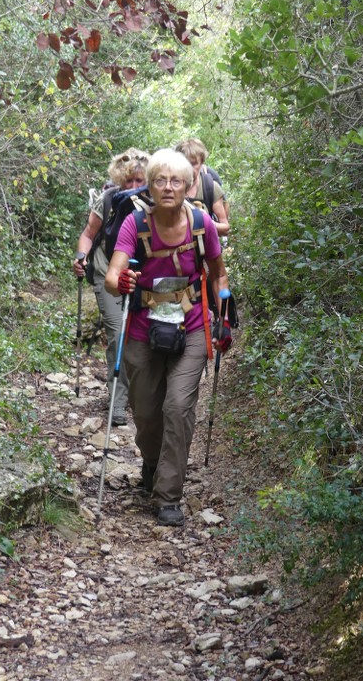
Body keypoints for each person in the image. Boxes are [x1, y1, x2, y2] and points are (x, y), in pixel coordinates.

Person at [105, 148, 232, 526]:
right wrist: (120, 281)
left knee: (177, 407)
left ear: (189, 185)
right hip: (144, 326)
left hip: (191, 324)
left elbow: (218, 273)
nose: (168, 187)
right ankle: (150, 460)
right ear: (150, 184)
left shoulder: (201, 224)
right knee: (146, 412)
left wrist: (224, 313)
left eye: (176, 181)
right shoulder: (134, 223)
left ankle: (168, 496)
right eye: (160, 180)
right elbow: (113, 277)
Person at [73, 148, 149, 426]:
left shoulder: (157, 201)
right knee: (117, 334)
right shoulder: (107, 200)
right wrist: (81, 256)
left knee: (140, 337)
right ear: (119, 180)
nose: (133, 187)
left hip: (143, 278)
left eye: (139, 181)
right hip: (107, 274)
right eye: (128, 182)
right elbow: (88, 234)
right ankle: (117, 401)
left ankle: (141, 396)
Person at [175, 138, 230, 237]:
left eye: (194, 164)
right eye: (185, 164)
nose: (189, 169)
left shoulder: (210, 187)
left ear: (202, 163)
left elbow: (225, 228)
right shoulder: (169, 188)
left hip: (203, 249)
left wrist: (204, 221)